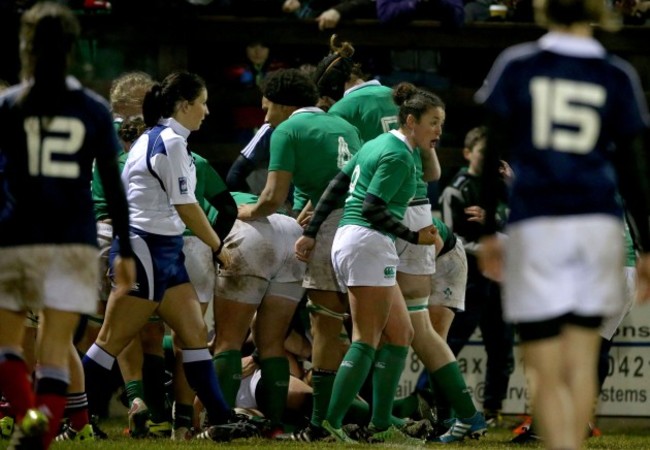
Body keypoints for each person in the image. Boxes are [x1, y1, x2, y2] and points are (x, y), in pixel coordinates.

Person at [475, 0, 650, 446]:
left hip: (537, 223)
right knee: (582, 352)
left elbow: (490, 154)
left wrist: (489, 233)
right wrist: (646, 247)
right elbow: (633, 171)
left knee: (543, 357)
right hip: (597, 225)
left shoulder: (517, 63)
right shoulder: (616, 73)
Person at [81, 71, 258, 443]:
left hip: (163, 250)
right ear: (184, 105)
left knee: (194, 336)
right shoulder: (171, 142)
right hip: (146, 248)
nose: (207, 111)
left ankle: (221, 419)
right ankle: (75, 419)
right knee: (110, 341)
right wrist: (215, 244)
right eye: (203, 103)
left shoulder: (153, 138)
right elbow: (186, 205)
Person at [0, 3, 135, 450]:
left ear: (26, 47)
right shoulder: (93, 109)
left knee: (8, 347)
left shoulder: (9, 104)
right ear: (73, 49)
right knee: (56, 350)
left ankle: (27, 419)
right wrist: (127, 249)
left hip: (18, 234)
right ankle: (38, 438)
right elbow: (114, 189)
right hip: (74, 240)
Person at [295, 81, 440, 444]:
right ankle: (328, 424)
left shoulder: (376, 143)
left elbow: (335, 186)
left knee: (401, 333)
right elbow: (374, 208)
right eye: (433, 122)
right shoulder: (399, 155)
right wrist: (415, 237)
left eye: (442, 122)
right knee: (365, 339)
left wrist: (312, 231)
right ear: (410, 120)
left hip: (357, 241)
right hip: (367, 242)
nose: (438, 130)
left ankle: (379, 423)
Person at [237, 68, 363, 442]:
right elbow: (337, 177)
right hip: (365, 225)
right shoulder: (345, 126)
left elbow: (273, 196)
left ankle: (322, 423)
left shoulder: (287, 131)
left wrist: (248, 212)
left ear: (282, 104)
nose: (265, 117)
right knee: (364, 329)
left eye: (267, 108)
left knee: (325, 324)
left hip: (331, 230)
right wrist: (309, 208)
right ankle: (363, 415)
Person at [211, 191, 306, 436]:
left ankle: (221, 422)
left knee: (228, 340)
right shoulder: (226, 188)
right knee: (272, 343)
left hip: (248, 231)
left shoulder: (185, 195)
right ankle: (275, 426)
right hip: (292, 232)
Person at [438, 125, 515, 425]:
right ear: (468, 153)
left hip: (500, 275)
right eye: (484, 152)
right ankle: (433, 400)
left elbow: (518, 220)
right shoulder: (456, 189)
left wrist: (495, 220)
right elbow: (448, 236)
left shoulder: (501, 185)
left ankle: (493, 409)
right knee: (452, 340)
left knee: (501, 345)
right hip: (469, 276)